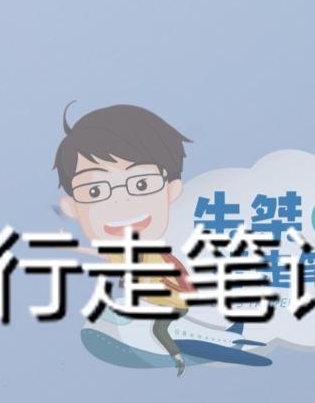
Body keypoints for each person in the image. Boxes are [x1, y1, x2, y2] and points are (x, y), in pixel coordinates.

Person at [56, 104, 269, 371]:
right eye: (95, 190)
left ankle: (178, 357)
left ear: (171, 189)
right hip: (154, 299)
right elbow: (101, 254)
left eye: (141, 184)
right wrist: (72, 247)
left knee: (158, 329)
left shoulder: (155, 253)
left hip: (174, 303)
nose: (121, 202)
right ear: (71, 205)